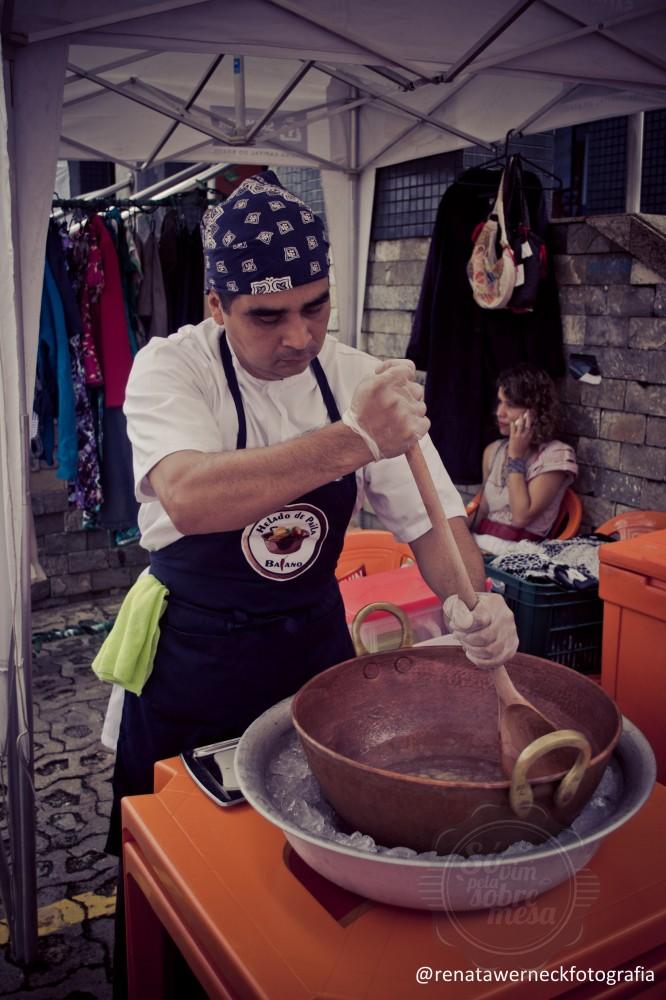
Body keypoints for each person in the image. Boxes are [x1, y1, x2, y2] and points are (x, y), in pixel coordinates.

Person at [101, 170, 519, 993]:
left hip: (312, 663)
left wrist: (480, 597)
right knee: (180, 883)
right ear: (217, 305)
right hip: (190, 662)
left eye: (315, 306)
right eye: (268, 315)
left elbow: (433, 526)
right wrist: (355, 438)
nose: (299, 336)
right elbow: (191, 494)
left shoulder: (355, 373)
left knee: (299, 882)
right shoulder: (170, 370)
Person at [470, 364, 578, 556]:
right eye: (500, 402)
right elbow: (483, 509)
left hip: (516, 555)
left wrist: (515, 456)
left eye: (510, 405)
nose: (499, 412)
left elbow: (521, 516)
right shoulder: (493, 451)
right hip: (481, 546)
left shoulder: (556, 455)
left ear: (534, 411)